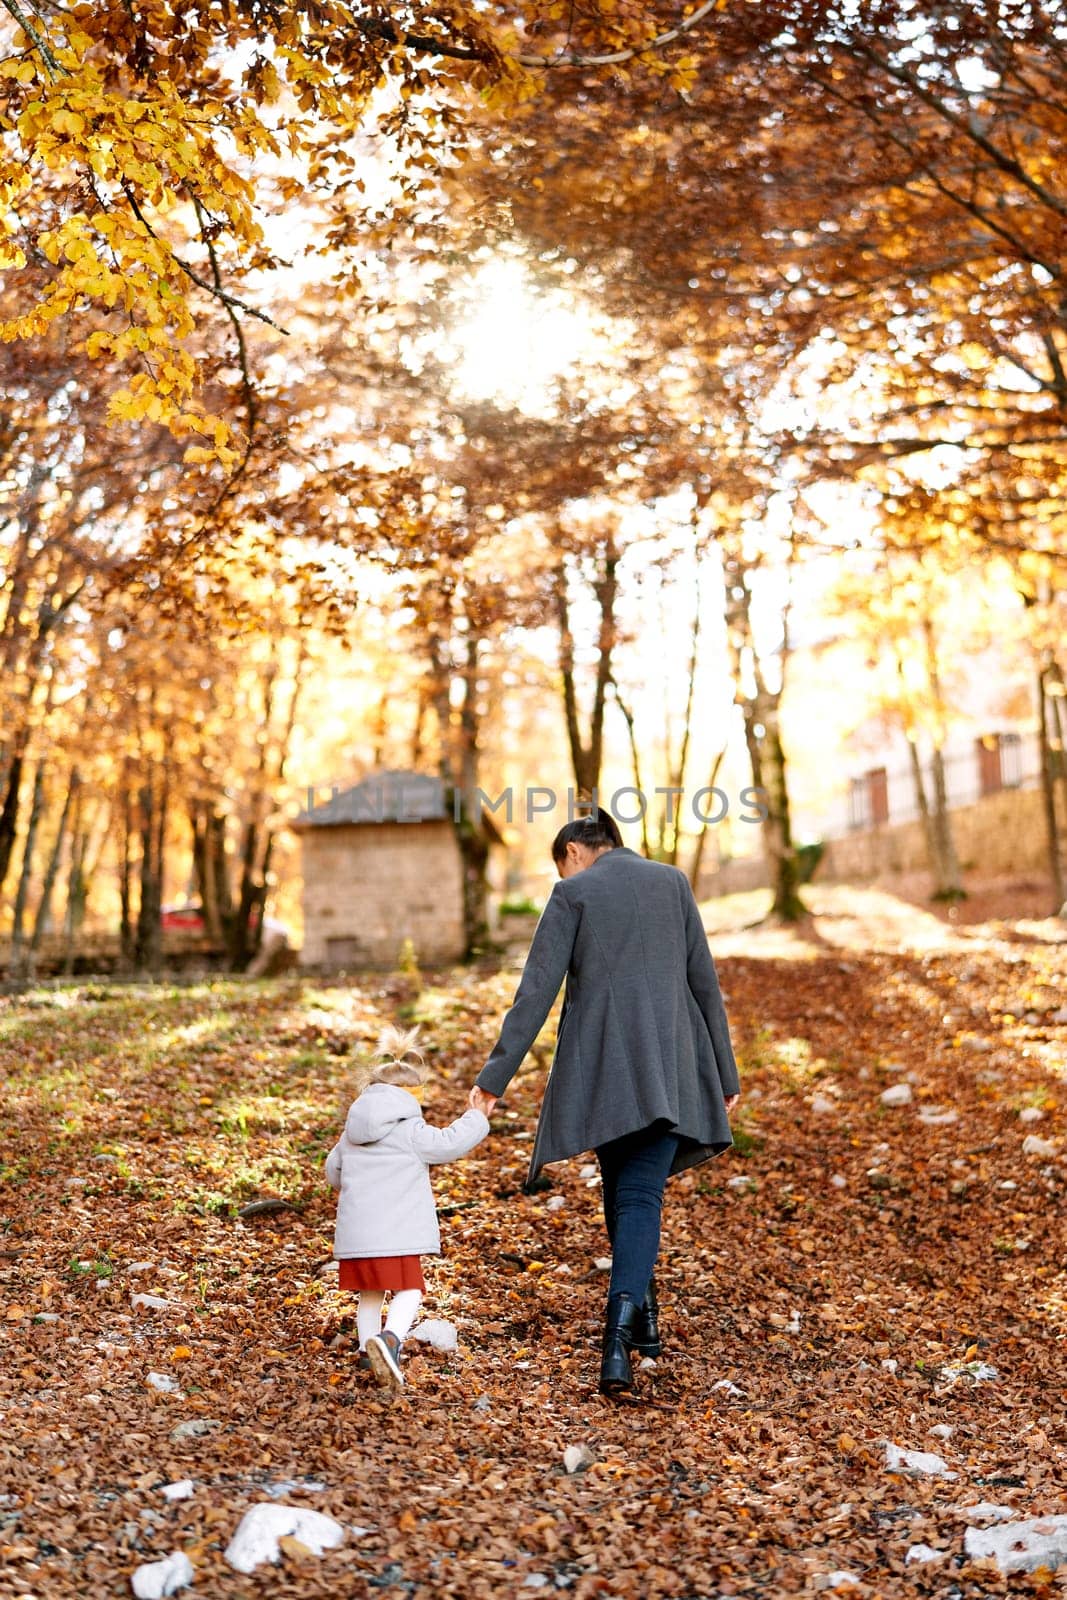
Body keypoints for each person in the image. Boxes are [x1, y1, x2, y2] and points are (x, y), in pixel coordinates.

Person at [469, 809, 741, 1396]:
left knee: (626, 1193)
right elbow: (704, 983)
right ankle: (639, 1325)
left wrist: (495, 1078)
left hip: (605, 1072)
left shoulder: (573, 893)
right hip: (672, 1066)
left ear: (572, 851)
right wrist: (724, 1070)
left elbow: (535, 991)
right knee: (633, 1195)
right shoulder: (673, 882)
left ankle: (615, 1340)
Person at [326, 1024, 493, 1391]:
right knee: (410, 1290)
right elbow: (450, 1142)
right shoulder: (412, 1131)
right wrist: (477, 1116)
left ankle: (370, 1353)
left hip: (359, 1235)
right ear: (410, 1096)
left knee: (371, 1293)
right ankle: (390, 1340)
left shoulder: (350, 1133)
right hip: (396, 1233)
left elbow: (333, 1173)